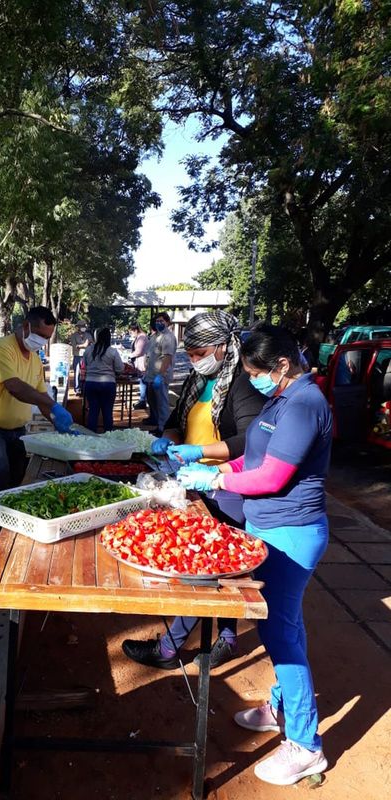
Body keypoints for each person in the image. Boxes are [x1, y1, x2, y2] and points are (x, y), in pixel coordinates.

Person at [178, 324, 332, 785]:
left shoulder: (305, 405)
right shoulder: (280, 400)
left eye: (256, 372)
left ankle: (306, 745)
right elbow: (254, 459)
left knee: (280, 633)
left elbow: (271, 478)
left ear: (282, 365)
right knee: (281, 625)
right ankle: (278, 707)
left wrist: (216, 482)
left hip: (292, 531)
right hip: (268, 528)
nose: (253, 379)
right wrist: (215, 463)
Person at [122, 310, 265, 669]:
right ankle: (228, 637)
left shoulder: (242, 384)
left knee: (208, 568)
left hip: (226, 486)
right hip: (192, 481)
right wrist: (168, 441)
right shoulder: (196, 383)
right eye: (192, 353)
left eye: (200, 353)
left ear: (222, 346)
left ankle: (170, 648)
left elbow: (250, 439)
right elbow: (174, 422)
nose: (195, 360)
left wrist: (201, 453)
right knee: (213, 565)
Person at [0, 306, 75, 491]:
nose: (42, 342)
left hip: (17, 431)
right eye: (40, 335)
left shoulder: (34, 360)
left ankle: (11, 512)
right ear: (26, 326)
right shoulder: (0, 348)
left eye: (46, 339)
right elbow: (15, 387)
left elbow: (42, 396)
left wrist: (56, 420)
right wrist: (54, 406)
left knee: (19, 474)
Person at [82, 328, 124, 432]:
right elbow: (120, 368)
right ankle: (108, 436)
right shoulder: (113, 351)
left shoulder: (88, 350)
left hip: (91, 383)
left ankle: (91, 435)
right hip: (108, 384)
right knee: (107, 412)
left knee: (93, 411)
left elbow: (84, 366)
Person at [143, 311, 177, 434]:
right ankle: (157, 424)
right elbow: (149, 355)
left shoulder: (168, 337)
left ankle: (164, 428)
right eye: (157, 321)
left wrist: (160, 375)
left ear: (167, 322)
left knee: (162, 403)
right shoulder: (154, 336)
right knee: (153, 402)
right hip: (150, 375)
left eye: (161, 321)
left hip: (160, 376)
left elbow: (167, 357)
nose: (159, 323)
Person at [70, 321, 94, 395]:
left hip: (87, 356)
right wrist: (84, 345)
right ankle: (77, 389)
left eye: (84, 326)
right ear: (78, 327)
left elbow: (92, 344)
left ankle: (85, 388)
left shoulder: (88, 335)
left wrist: (85, 345)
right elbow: (74, 346)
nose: (83, 327)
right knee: (77, 373)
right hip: (77, 356)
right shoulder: (74, 336)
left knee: (86, 373)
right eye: (81, 326)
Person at [129, 322, 149, 410]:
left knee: (143, 382)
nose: (131, 334)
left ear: (135, 330)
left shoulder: (142, 337)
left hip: (143, 363)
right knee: (142, 382)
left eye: (131, 332)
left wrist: (129, 355)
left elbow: (139, 351)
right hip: (140, 363)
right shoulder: (139, 337)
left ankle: (142, 401)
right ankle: (142, 400)